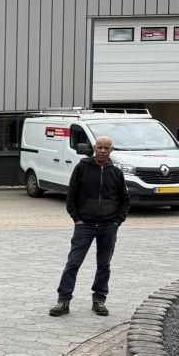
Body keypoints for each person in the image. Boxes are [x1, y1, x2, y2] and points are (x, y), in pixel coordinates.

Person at [50, 135, 130, 317]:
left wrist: (117, 221)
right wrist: (76, 218)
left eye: (106, 148)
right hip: (84, 225)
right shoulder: (82, 167)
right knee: (73, 264)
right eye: (99, 147)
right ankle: (63, 301)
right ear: (94, 148)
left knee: (104, 265)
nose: (102, 150)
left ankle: (99, 300)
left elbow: (124, 199)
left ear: (111, 150)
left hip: (108, 226)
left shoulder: (116, 173)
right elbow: (71, 194)